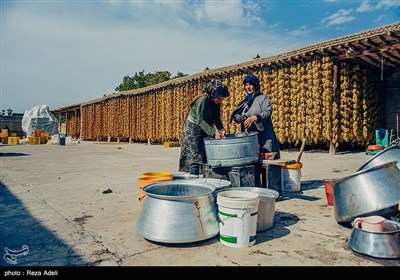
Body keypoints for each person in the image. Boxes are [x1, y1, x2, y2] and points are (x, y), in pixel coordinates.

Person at [230, 74, 280, 186]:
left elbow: (267, 112)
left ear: (256, 85)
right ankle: (256, 190)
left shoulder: (263, 99)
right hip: (250, 141)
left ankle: (271, 191)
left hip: (265, 139)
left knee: (268, 167)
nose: (248, 87)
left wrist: (255, 118)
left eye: (251, 85)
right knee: (254, 167)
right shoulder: (244, 102)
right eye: (246, 85)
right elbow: (236, 115)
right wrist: (239, 118)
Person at [179, 79, 229, 175]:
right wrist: (214, 133)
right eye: (219, 99)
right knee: (195, 157)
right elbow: (200, 120)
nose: (220, 101)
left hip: (204, 127)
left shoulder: (215, 101)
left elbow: (216, 117)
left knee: (206, 155)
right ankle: (193, 183)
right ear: (212, 94)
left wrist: (221, 129)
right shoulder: (203, 100)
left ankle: (204, 180)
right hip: (193, 129)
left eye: (221, 99)